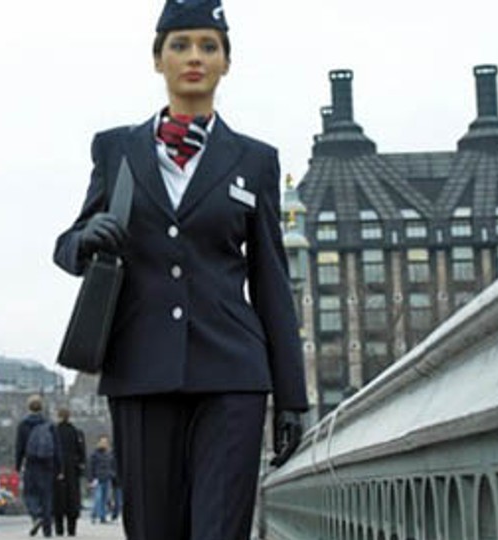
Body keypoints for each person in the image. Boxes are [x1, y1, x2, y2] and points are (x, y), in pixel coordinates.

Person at [52, 1, 307, 538]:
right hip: (141, 371)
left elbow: (271, 283)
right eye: (181, 45)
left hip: (233, 376)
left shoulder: (255, 161)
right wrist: (86, 239)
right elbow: (67, 246)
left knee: (219, 529)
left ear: (226, 63)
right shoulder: (116, 149)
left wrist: (291, 396)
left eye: (209, 46)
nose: (195, 57)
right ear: (157, 59)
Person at [14, 395, 61, 537]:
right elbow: (57, 448)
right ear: (42, 407)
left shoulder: (23, 425)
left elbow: (19, 447)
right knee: (46, 496)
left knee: (29, 493)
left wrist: (18, 464)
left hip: (31, 463)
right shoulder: (50, 425)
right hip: (47, 464)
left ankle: (36, 515)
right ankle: (47, 530)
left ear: (29, 407)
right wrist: (60, 468)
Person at [52, 408, 86, 536]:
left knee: (58, 499)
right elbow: (82, 454)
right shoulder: (76, 432)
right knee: (72, 499)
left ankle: (59, 529)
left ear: (59, 416)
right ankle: (72, 529)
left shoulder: (54, 431)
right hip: (73, 470)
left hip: (57, 469)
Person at [86, 435, 116, 525]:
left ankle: (102, 517)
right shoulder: (94, 454)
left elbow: (113, 466)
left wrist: (112, 474)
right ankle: (94, 515)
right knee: (98, 498)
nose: (104, 444)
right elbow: (90, 467)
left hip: (107, 479)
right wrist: (91, 479)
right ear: (98, 443)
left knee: (105, 499)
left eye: (105, 442)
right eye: (102, 442)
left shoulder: (109, 454)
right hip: (97, 479)